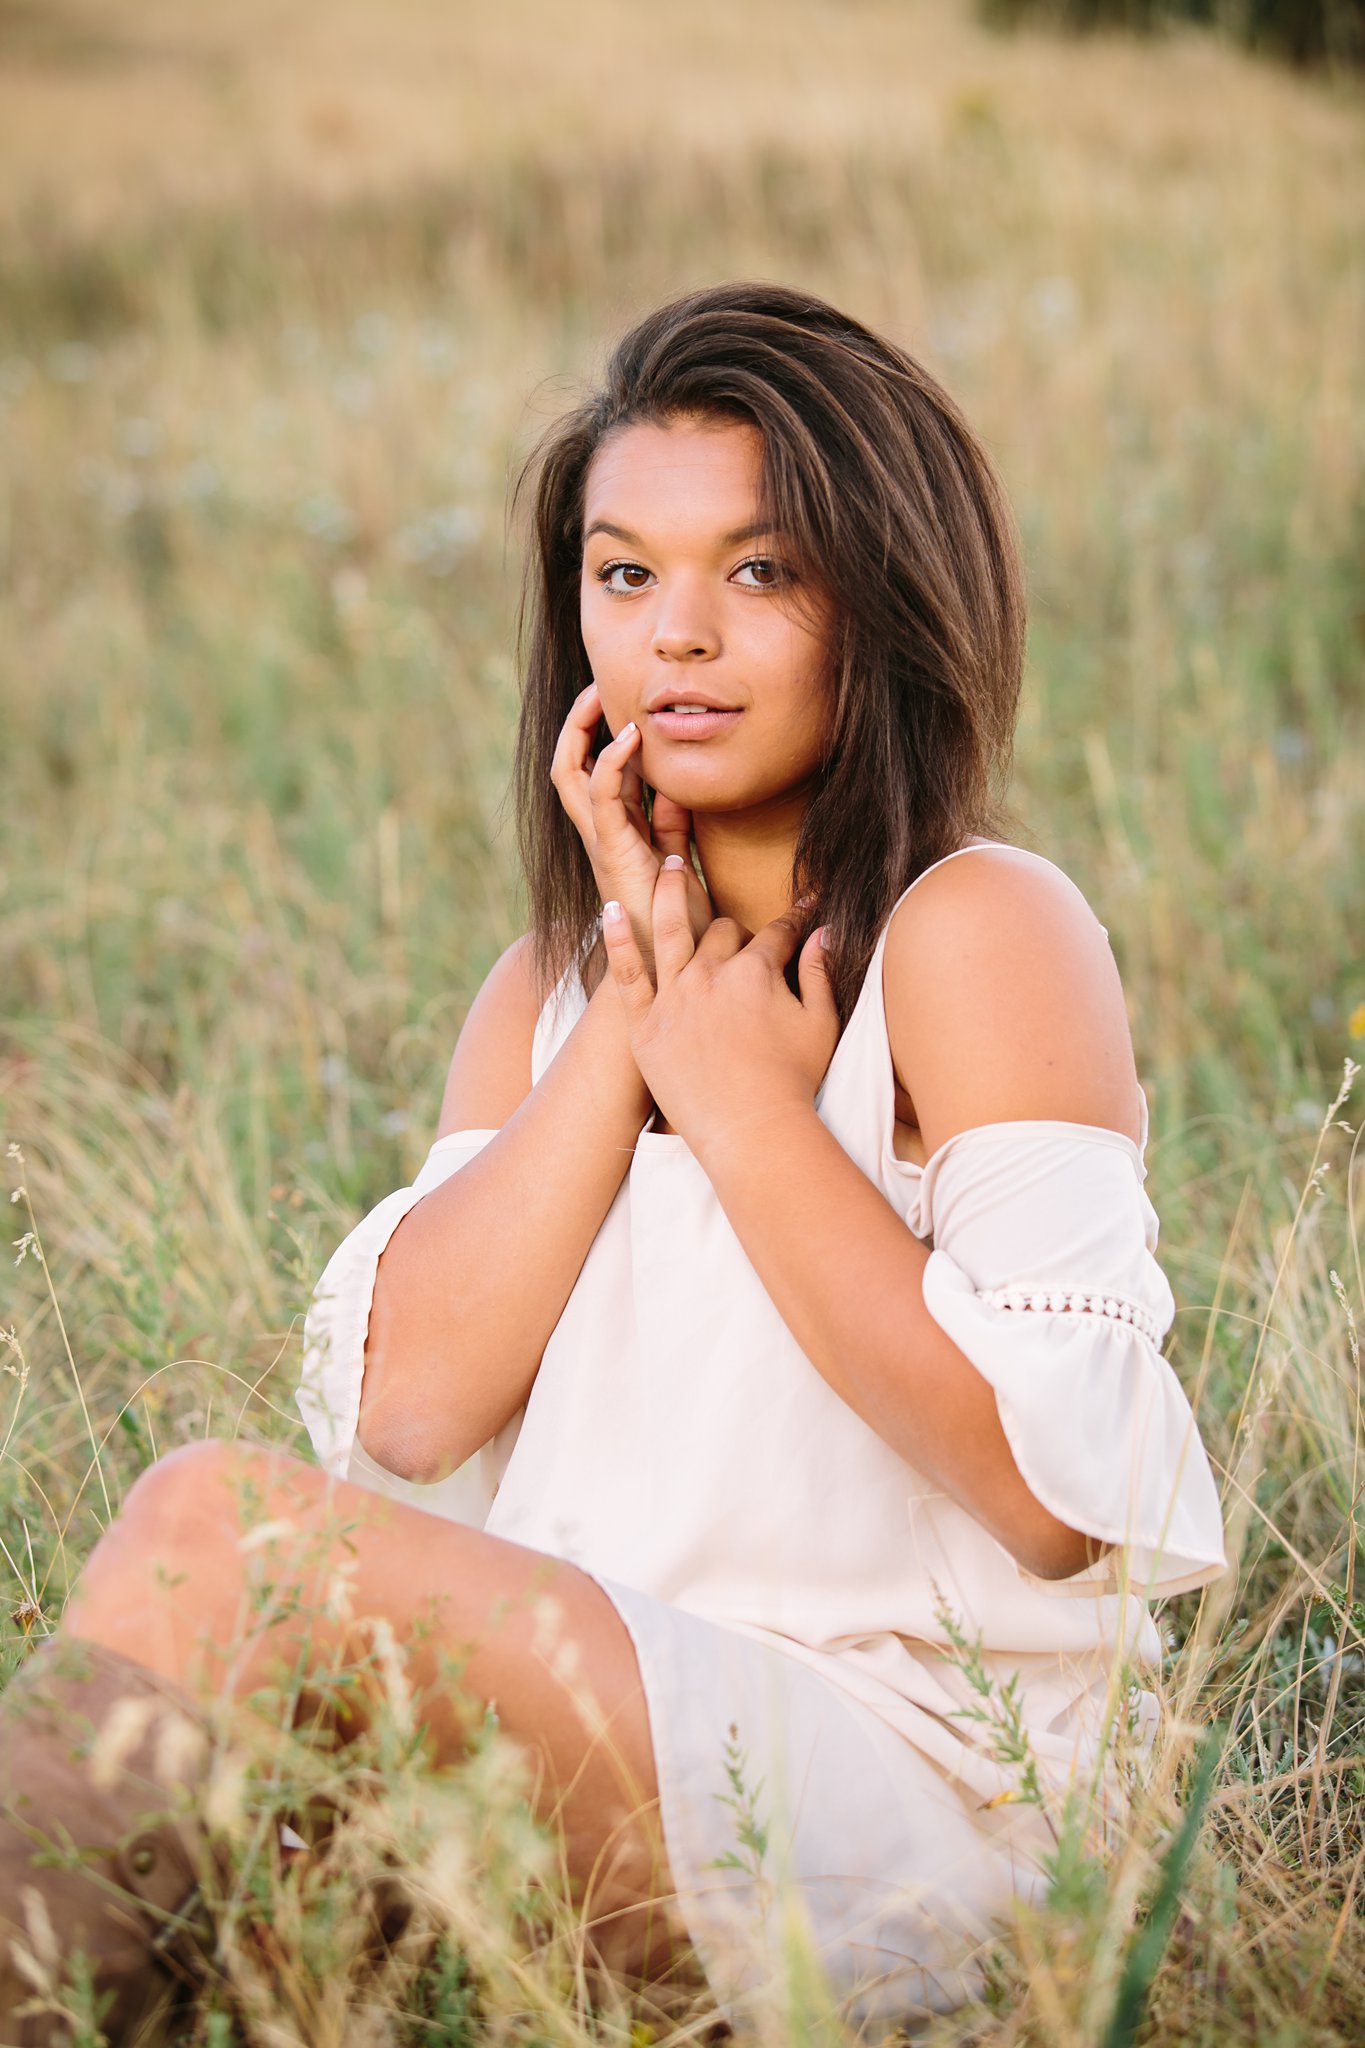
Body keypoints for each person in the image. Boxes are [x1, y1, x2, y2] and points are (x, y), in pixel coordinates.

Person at [0, 282, 1228, 2042]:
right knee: (217, 1867)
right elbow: (411, 1411)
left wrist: (739, 1112)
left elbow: (1050, 1500)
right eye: (625, 572)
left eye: (761, 569)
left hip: (903, 1800)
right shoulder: (542, 997)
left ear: (881, 594)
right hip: (591, 1749)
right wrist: (630, 1035)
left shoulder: (978, 932)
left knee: (217, 1528)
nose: (680, 638)